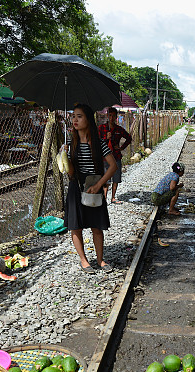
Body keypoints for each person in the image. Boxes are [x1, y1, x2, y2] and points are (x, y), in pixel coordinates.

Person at [65, 103, 117, 273]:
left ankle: (100, 260)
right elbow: (70, 173)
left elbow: (113, 166)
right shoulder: (70, 144)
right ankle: (84, 260)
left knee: (97, 226)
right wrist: (65, 158)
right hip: (76, 187)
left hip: (93, 187)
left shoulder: (98, 143)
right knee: (76, 226)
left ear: (88, 119)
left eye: (79, 116)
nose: (75, 119)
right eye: (73, 116)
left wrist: (98, 185)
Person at [98, 107, 131, 204]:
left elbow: (129, 138)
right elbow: (97, 141)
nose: (111, 118)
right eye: (110, 115)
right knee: (106, 178)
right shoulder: (101, 128)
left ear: (116, 117)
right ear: (107, 116)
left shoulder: (119, 129)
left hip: (116, 156)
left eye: (113, 116)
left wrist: (121, 148)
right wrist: (105, 138)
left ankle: (113, 197)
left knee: (116, 178)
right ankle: (104, 198)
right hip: (105, 157)